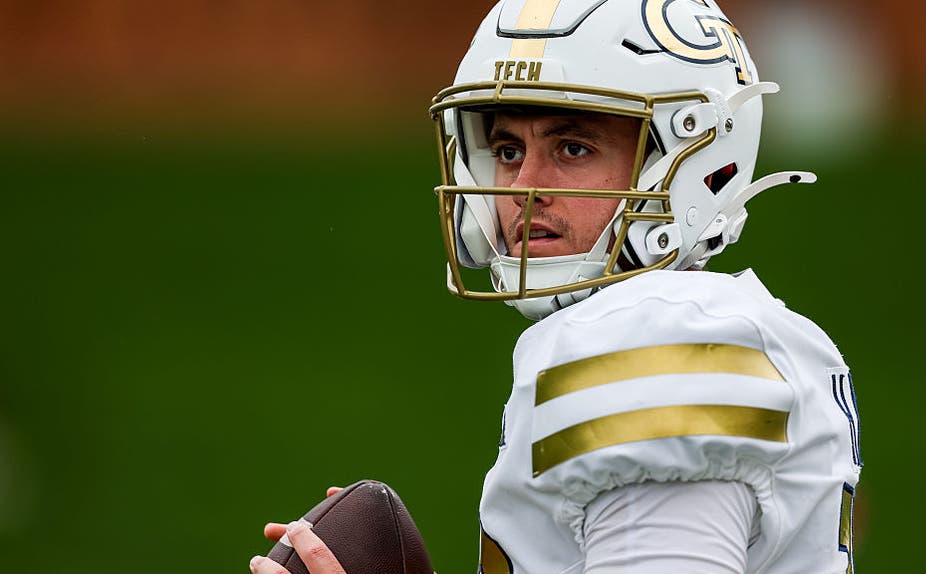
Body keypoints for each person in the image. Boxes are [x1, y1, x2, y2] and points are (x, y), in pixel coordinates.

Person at [250, 1, 862, 573]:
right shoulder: (708, 330)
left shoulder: (658, 339)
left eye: (572, 147)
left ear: (694, 163)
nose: (524, 187)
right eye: (507, 149)